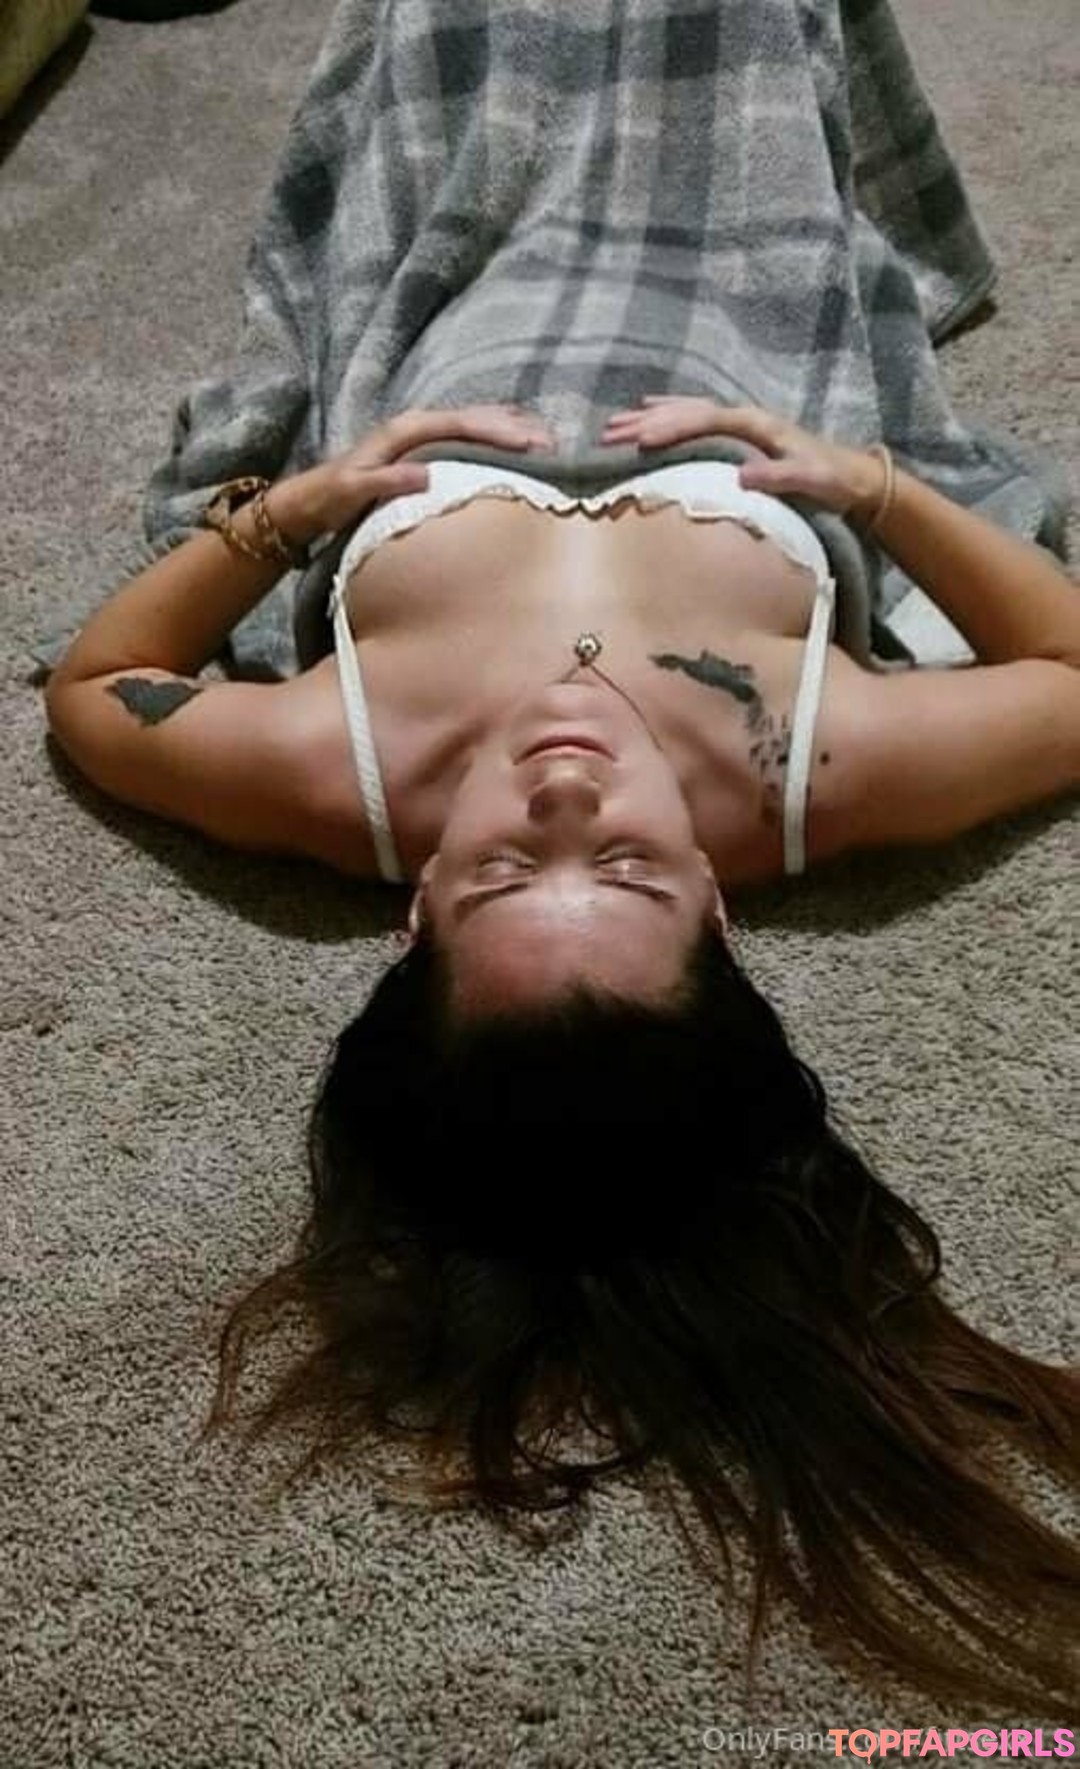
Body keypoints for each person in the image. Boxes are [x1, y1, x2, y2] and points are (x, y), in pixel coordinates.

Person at [41, 0, 1080, 1717]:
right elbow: (1068, 669)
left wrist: (295, 509)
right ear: (723, 900)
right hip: (737, 308)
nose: (567, 794)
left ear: (412, 912)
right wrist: (877, 490)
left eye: (506, 873)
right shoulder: (805, 771)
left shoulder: (344, 772)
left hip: (469, 313)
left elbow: (94, 692)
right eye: (637, 873)